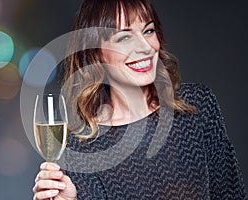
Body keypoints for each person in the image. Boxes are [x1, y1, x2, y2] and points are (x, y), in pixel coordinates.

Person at [33, 0, 247, 199]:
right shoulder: (80, 149)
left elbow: (232, 193)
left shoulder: (198, 105)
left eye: (148, 30)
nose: (145, 47)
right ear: (96, 53)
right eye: (124, 37)